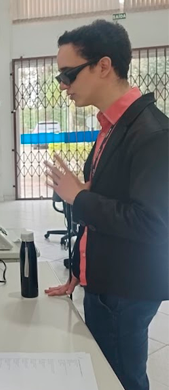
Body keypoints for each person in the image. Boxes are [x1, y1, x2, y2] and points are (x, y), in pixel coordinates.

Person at [44, 20, 168, 390]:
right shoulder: (113, 125)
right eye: (59, 78)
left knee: (121, 378)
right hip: (104, 278)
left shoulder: (152, 134)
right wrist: (80, 268)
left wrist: (79, 197)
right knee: (106, 372)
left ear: (103, 65)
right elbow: (111, 206)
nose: (63, 86)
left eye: (69, 74)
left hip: (126, 289)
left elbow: (153, 223)